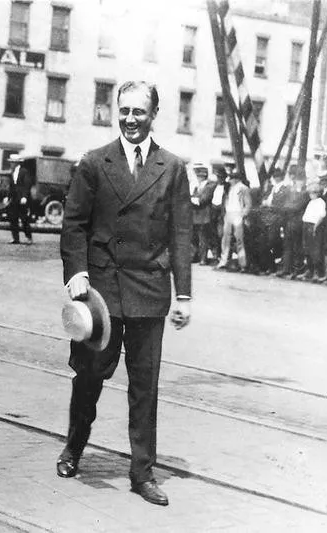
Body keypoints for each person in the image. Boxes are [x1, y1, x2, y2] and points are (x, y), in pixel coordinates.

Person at [58, 81, 192, 507]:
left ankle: (143, 472)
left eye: (139, 112)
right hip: (102, 292)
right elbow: (74, 224)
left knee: (145, 387)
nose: (131, 119)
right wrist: (76, 273)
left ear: (155, 115)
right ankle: (75, 445)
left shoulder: (171, 167)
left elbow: (182, 233)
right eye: (124, 110)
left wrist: (183, 295)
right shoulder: (96, 163)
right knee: (90, 376)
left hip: (149, 292)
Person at [215, 171, 251, 272]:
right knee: (226, 239)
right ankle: (223, 261)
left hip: (237, 214)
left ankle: (242, 263)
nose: (230, 181)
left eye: (231, 179)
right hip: (229, 214)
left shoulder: (243, 188)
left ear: (236, 179)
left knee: (239, 240)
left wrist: (242, 215)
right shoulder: (230, 188)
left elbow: (248, 204)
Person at [298, 181, 326, 281]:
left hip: (314, 226)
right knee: (307, 249)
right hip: (306, 225)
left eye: (313, 192)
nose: (311, 194)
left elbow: (322, 216)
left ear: (318, 193)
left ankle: (317, 272)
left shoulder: (321, 202)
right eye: (310, 192)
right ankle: (309, 270)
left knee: (316, 251)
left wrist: (315, 227)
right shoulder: (310, 202)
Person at [189, 162, 215, 265]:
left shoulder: (210, 186)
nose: (198, 177)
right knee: (194, 238)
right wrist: (193, 198)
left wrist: (191, 198)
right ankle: (195, 256)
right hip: (195, 215)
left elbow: (202, 200)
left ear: (203, 176)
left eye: (199, 175)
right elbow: (194, 198)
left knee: (203, 238)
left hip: (204, 216)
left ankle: (203, 259)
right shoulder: (197, 187)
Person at [7, 153, 33, 245]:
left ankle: (29, 237)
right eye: (11, 162)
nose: (11, 164)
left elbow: (27, 185)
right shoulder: (12, 173)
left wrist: (24, 197)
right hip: (14, 199)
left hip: (22, 199)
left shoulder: (24, 171)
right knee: (13, 218)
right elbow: (11, 187)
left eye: (12, 162)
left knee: (24, 219)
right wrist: (8, 197)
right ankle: (15, 238)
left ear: (17, 163)